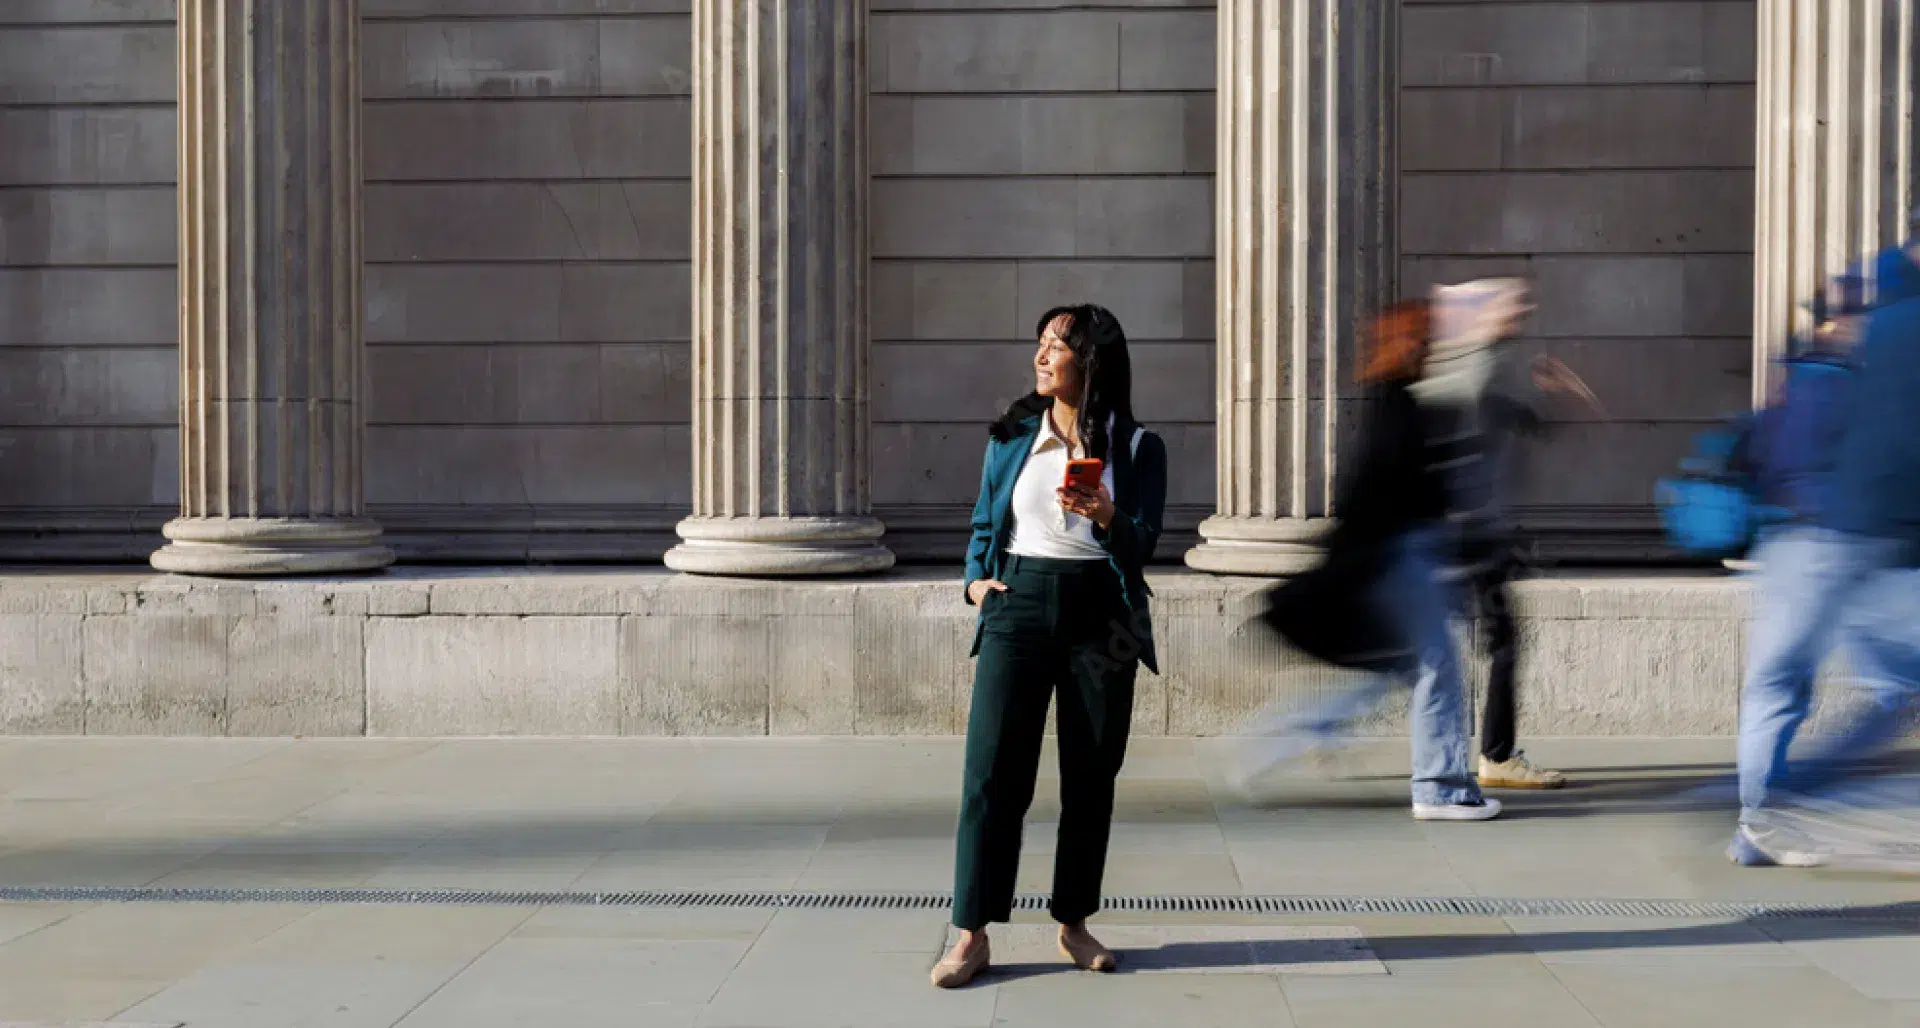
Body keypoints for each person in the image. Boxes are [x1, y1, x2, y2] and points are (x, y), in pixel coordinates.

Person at [932, 304, 1167, 988]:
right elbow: (984, 523)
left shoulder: (1139, 445)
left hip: (1104, 612)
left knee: (1091, 777)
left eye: (1056, 347)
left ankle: (1073, 922)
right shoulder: (1011, 437)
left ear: (1090, 362)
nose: (1041, 357)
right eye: (1039, 344)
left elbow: (1146, 542)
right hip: (1020, 603)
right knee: (990, 773)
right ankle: (971, 932)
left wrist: (1109, 516)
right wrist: (977, 584)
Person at [1233, 299, 1501, 822]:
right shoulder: (1399, 406)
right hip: (1401, 554)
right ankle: (1439, 788)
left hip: (1396, 554)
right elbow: (1386, 488)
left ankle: (1280, 738)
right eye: (1423, 337)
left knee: (1398, 668)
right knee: (1436, 667)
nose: (1431, 346)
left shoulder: (1397, 401)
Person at [1730, 244, 1920, 868]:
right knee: (1874, 684)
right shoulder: (1860, 363)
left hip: (1813, 538)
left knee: (1780, 685)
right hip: (1843, 540)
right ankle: (1778, 806)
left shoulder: (1812, 368)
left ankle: (1761, 818)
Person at [1419, 279, 1605, 790]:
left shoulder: (1472, 366)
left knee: (1465, 645)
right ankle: (1494, 757)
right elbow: (1483, 442)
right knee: (1494, 644)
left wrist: (1554, 398)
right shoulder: (1475, 369)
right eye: (1510, 304)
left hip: (1469, 536)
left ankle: (1319, 723)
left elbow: (1520, 425)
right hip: (1470, 539)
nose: (1521, 311)